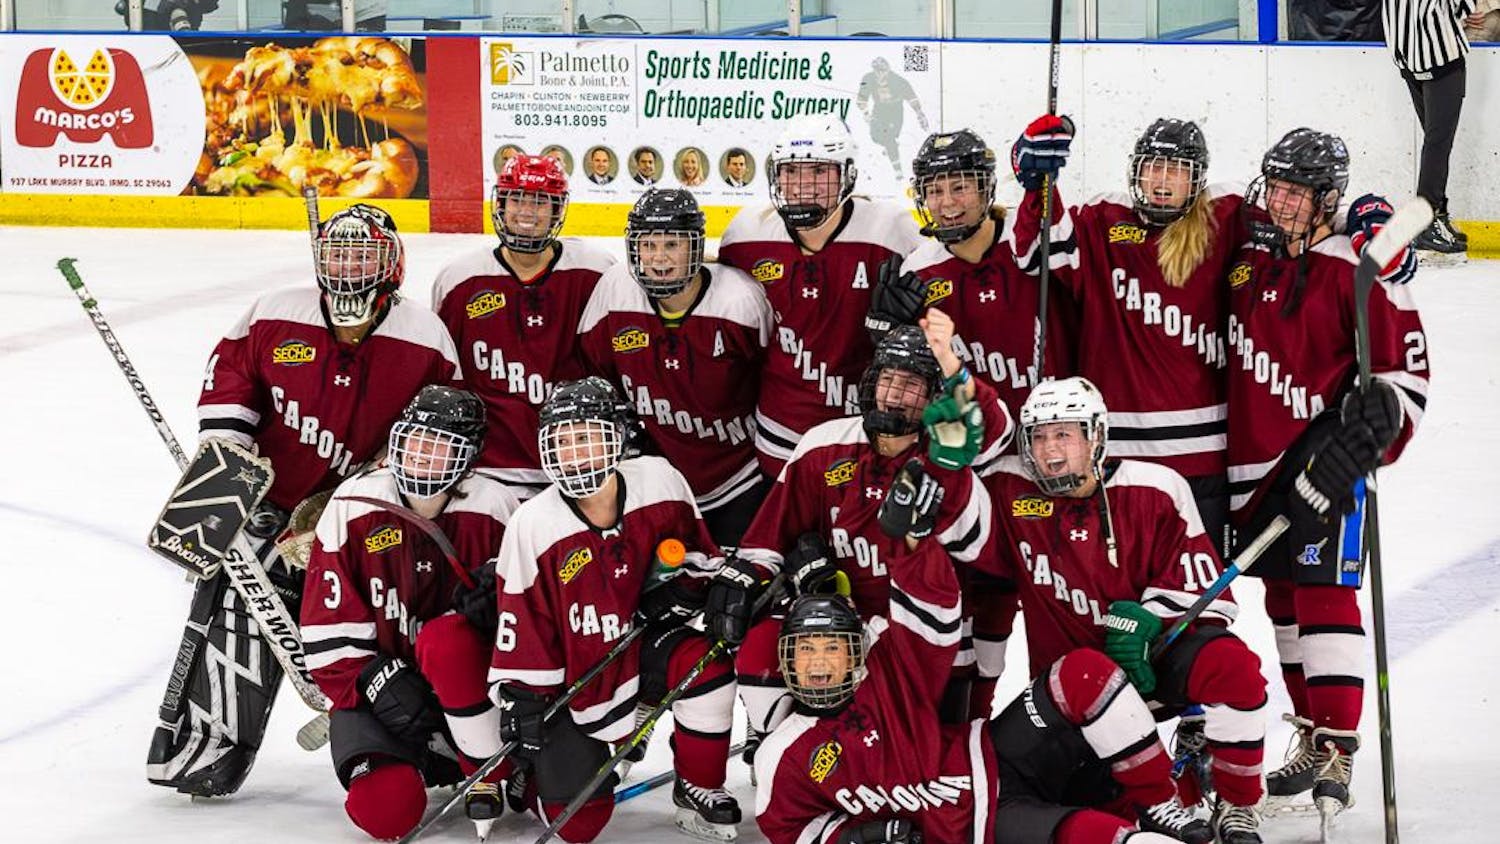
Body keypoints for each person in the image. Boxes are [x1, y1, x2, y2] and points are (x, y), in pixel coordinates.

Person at [148, 204, 462, 797]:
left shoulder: (424, 336)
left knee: (387, 628)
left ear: (392, 264)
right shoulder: (274, 312)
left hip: (367, 518)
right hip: (269, 503)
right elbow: (229, 387)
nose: (348, 269)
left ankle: (425, 743)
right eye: (336, 254)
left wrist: (361, 501)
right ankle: (205, 750)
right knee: (239, 616)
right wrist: (231, 463)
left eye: (362, 255)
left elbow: (442, 435)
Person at [754, 460, 1193, 844]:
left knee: (1084, 674)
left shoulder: (886, 669)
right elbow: (789, 829)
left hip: (994, 753)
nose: (818, 662)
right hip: (981, 825)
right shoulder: (785, 752)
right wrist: (851, 837)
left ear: (856, 653)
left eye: (832, 647)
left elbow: (935, 614)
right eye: (805, 650)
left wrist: (911, 546)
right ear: (787, 661)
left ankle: (1160, 800)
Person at [1228, 128, 1428, 823]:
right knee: (1282, 600)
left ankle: (1339, 742)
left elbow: (1406, 376)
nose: (1280, 202)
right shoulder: (1251, 253)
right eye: (1275, 187)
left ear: (1327, 200)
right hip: (1255, 465)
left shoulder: (1356, 266)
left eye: (1297, 193)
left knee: (1325, 592)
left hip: (1324, 463)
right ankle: (1314, 733)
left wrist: (1365, 439)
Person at [709, 322, 1014, 759]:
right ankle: (780, 745)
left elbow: (982, 549)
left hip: (920, 639)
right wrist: (750, 575)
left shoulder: (946, 460)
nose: (893, 393)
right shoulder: (824, 444)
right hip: (837, 628)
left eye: (910, 385)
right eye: (887, 379)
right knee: (759, 643)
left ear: (934, 398)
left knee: (926, 752)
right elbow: (771, 535)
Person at [984, 377, 1270, 843]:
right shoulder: (1007, 487)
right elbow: (957, 489)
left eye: (1064, 434)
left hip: (1146, 673)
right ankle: (1162, 798)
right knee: (1101, 807)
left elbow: (1209, 599)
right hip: (1068, 699)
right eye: (1038, 436)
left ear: (1096, 436)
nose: (1050, 450)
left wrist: (1151, 616)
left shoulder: (1157, 488)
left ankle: (1239, 804)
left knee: (1231, 665)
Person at [488, 378, 741, 843]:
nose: (573, 453)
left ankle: (699, 784)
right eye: (561, 443)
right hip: (571, 677)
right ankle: (530, 779)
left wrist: (684, 590)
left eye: (584, 437)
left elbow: (700, 558)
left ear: (616, 438)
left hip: (640, 644)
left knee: (707, 665)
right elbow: (522, 625)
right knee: (580, 826)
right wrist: (525, 697)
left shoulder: (660, 480)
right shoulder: (532, 523)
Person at [1009, 115, 1249, 558]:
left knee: (1199, 598)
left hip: (1203, 459)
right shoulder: (1105, 220)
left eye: (1176, 170)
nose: (1161, 180)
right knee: (1119, 594)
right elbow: (1035, 255)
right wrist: (1035, 181)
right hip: (1117, 457)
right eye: (1152, 167)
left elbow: (1299, 210)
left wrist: (1365, 217)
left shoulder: (1224, 216)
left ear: (1197, 179)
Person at [301, 386, 524, 840]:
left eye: (439, 446)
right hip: (375, 690)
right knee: (385, 813)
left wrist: (494, 613)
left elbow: (530, 619)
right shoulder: (353, 503)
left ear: (469, 455)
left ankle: (479, 760)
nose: (422, 456)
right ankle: (416, 761)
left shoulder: (498, 507)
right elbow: (326, 621)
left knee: (556, 796)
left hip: (470, 690)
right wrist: (373, 680)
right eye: (414, 441)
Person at [718, 115, 925, 476]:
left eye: (818, 171)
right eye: (791, 172)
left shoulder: (892, 230)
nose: (803, 186)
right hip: (779, 435)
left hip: (863, 430)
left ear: (847, 175)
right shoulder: (746, 234)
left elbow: (935, 317)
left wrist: (905, 328)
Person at [578, 189, 774, 548]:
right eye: (648, 245)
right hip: (657, 481)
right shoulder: (615, 290)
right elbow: (596, 376)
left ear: (696, 247)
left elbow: (775, 381)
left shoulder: (740, 300)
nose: (658, 258)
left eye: (672, 244)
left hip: (738, 481)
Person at [431, 153, 616, 495]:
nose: (527, 211)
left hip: (575, 463)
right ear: (501, 204)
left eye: (540, 201)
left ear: (557, 210)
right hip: (486, 471)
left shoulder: (596, 272)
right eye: (517, 199)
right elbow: (445, 376)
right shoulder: (459, 280)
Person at [895, 127, 1077, 415]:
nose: (947, 202)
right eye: (934, 191)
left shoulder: (1029, 238)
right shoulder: (918, 270)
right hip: (978, 442)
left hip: (1052, 433)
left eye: (960, 187)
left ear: (985, 190)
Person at [1383, 0, 1473, 252]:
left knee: (1434, 141)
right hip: (1441, 56)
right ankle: (1425, 220)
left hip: (1407, 58)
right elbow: (1464, 7)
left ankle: (1437, 214)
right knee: (1438, 142)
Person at [856, 56, 930, 178]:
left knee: (889, 137)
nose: (880, 74)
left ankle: (897, 170)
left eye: (882, 71)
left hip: (895, 111)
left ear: (888, 70)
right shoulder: (868, 79)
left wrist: (920, 114)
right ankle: (889, 146)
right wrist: (866, 113)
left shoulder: (899, 81)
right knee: (876, 137)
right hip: (879, 110)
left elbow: (912, 98)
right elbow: (861, 99)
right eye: (877, 71)